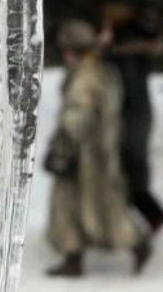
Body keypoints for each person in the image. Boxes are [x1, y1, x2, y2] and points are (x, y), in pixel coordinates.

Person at [44, 20, 152, 277]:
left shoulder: (86, 76)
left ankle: (135, 243)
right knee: (93, 205)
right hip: (100, 150)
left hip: (85, 154)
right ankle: (74, 258)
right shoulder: (102, 70)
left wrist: (63, 143)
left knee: (87, 206)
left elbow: (79, 113)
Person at [100, 1, 163, 234]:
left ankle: (148, 219)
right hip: (137, 115)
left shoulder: (123, 54)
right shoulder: (131, 51)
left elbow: (126, 89)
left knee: (129, 172)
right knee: (131, 172)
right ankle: (143, 219)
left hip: (131, 117)